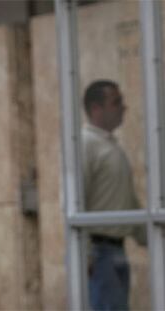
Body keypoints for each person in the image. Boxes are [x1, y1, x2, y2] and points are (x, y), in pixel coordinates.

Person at [82, 80, 145, 311]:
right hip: (99, 252)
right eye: (116, 102)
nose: (123, 108)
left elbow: (127, 201)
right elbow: (74, 201)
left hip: (116, 250)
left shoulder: (110, 146)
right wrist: (86, 251)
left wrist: (150, 235)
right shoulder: (85, 144)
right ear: (96, 108)